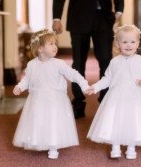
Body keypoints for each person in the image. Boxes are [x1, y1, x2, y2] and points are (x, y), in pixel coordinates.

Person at [86, 25, 141, 159]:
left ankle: (131, 147)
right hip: (117, 97)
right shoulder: (114, 61)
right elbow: (107, 78)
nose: (129, 45)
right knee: (116, 120)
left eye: (132, 42)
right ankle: (115, 146)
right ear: (117, 44)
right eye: (124, 42)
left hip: (136, 97)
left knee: (134, 120)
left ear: (138, 43)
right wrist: (96, 87)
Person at [12, 29, 89, 159]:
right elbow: (27, 79)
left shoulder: (58, 64)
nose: (55, 47)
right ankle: (39, 140)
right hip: (37, 99)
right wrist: (19, 87)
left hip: (55, 99)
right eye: (51, 44)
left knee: (53, 121)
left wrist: (84, 85)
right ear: (40, 48)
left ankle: (53, 146)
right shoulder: (32, 65)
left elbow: (73, 74)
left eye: (55, 44)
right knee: (39, 120)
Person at [52, 0, 124, 119]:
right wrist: (56, 18)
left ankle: (105, 103)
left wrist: (119, 10)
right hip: (78, 17)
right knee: (78, 62)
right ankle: (78, 103)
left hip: (104, 18)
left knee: (106, 61)